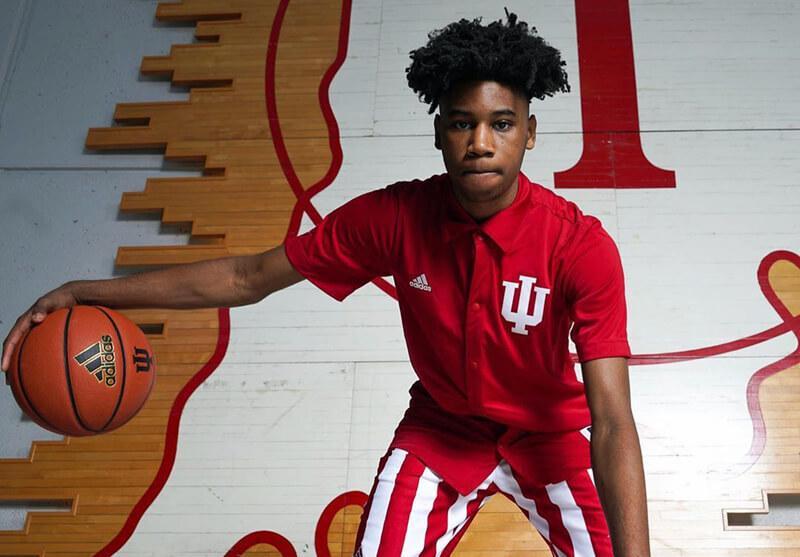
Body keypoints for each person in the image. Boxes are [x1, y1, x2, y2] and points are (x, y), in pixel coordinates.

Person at [1, 12, 649, 557]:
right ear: (438, 132)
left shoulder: (580, 246)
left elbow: (613, 420)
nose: (481, 142)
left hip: (546, 438)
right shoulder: (396, 217)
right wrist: (87, 291)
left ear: (529, 133)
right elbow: (246, 276)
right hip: (442, 431)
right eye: (461, 122)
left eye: (501, 123)